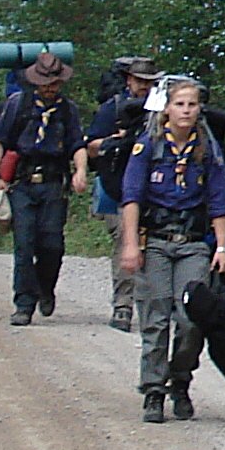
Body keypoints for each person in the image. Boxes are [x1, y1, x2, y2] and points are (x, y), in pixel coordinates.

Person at [118, 78, 225, 424]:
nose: (186, 111)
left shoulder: (207, 150)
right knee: (154, 319)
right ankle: (153, 390)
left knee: (191, 318)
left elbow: (217, 202)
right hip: (155, 242)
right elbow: (132, 198)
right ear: (167, 108)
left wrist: (222, 247)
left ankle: (180, 381)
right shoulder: (148, 147)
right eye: (179, 104)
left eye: (192, 105)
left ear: (199, 110)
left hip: (192, 245)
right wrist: (130, 245)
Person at [0, 52, 89, 326]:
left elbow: (77, 144)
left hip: (54, 183)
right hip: (22, 183)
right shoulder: (18, 105)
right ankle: (24, 304)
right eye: (45, 82)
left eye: (55, 82)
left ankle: (46, 288)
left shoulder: (68, 110)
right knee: (24, 244)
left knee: (52, 244)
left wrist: (81, 171)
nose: (50, 87)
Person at [86, 57, 164, 332]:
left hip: (156, 190)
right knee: (125, 241)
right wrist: (116, 141)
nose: (144, 87)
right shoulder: (114, 108)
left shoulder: (164, 110)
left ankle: (153, 307)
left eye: (149, 82)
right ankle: (123, 305)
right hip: (117, 188)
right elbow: (91, 146)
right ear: (129, 80)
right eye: (139, 81)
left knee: (156, 248)